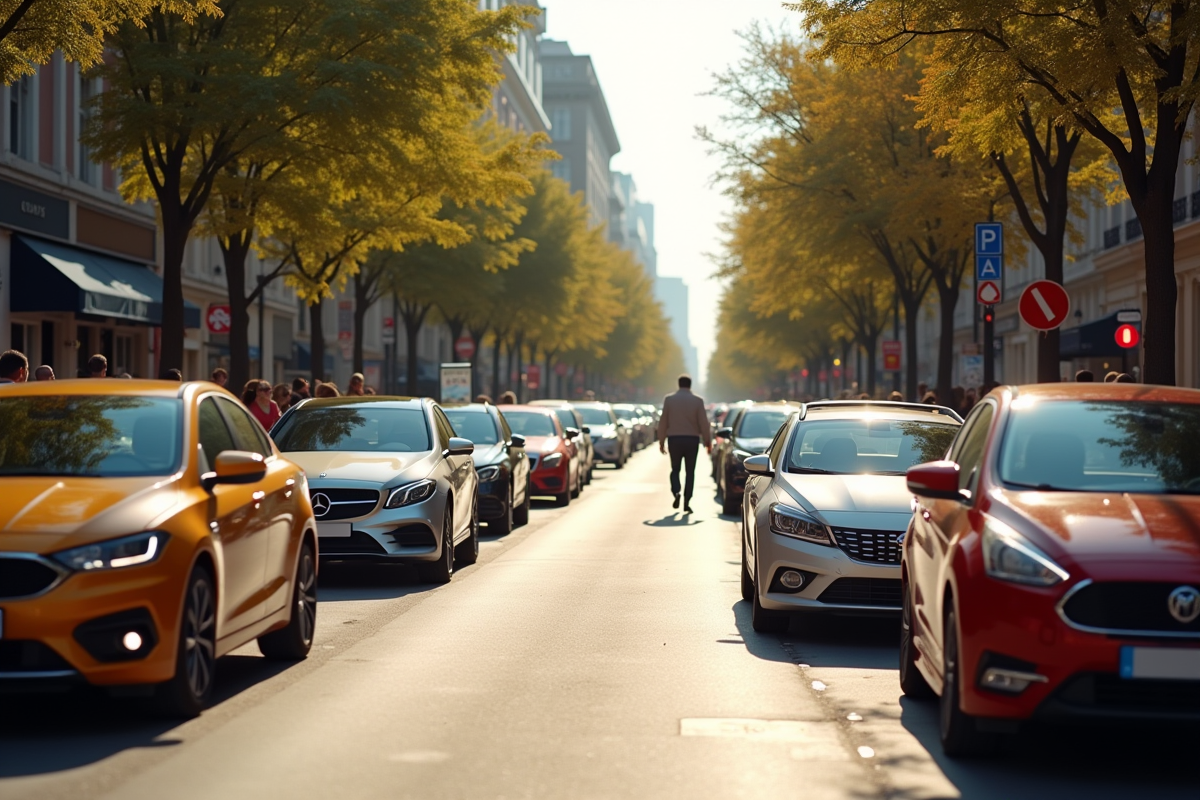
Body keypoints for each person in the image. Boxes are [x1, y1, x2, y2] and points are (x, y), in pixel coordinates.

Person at [657, 374, 712, 514]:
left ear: (679, 384)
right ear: (690, 385)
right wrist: (707, 441)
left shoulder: (669, 400)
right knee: (690, 472)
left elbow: (663, 421)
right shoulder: (698, 401)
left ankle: (676, 491)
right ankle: (687, 501)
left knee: (675, 469)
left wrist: (661, 441)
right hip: (692, 440)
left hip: (674, 439)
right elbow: (703, 423)